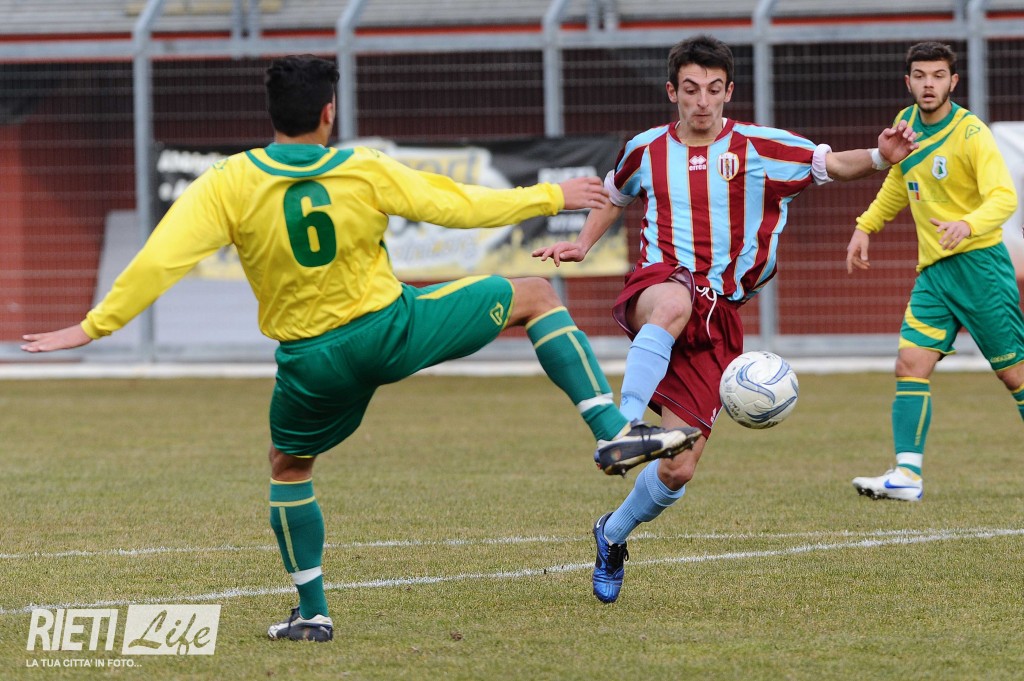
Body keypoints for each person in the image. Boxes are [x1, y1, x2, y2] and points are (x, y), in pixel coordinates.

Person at [20, 54, 700, 641]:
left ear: (273, 115)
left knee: (289, 467)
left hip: (311, 363)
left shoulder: (227, 182)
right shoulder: (361, 168)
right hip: (391, 331)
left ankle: (312, 613)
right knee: (537, 296)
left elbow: (160, 259)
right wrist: (550, 195)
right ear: (328, 113)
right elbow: (456, 206)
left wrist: (95, 326)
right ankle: (610, 429)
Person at [532, 34, 919, 604]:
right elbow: (615, 195)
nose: (702, 101)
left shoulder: (760, 146)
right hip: (660, 284)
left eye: (714, 89)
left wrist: (881, 156)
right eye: (691, 89)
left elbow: (832, 165)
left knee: (679, 470)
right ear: (672, 92)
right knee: (674, 300)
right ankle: (625, 425)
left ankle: (612, 534)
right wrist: (583, 244)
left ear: (729, 92)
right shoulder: (645, 148)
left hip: (718, 318)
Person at [848, 42, 1022, 502]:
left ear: (953, 82)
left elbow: (1004, 197)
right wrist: (865, 226)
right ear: (908, 82)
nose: (929, 84)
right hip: (934, 275)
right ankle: (907, 475)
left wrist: (968, 225)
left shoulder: (971, 132)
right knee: (910, 364)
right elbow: (898, 180)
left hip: (981, 268)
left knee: (1015, 375)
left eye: (938, 76)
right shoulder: (905, 126)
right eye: (921, 76)